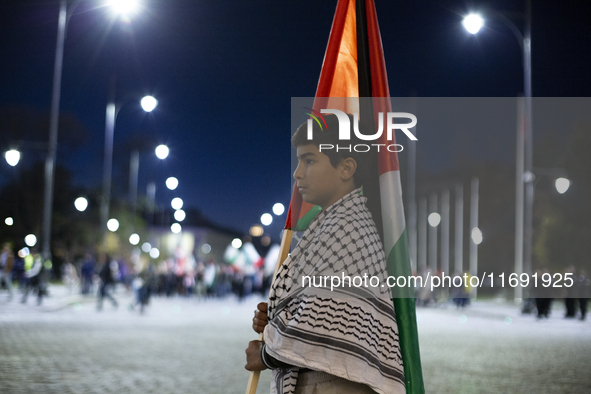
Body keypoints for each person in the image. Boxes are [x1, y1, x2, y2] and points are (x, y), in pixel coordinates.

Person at [245, 115, 405, 394]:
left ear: (346, 168)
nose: (297, 173)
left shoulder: (349, 228)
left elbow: (323, 324)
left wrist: (265, 354)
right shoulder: (335, 223)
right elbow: (312, 307)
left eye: (309, 160)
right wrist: (275, 317)